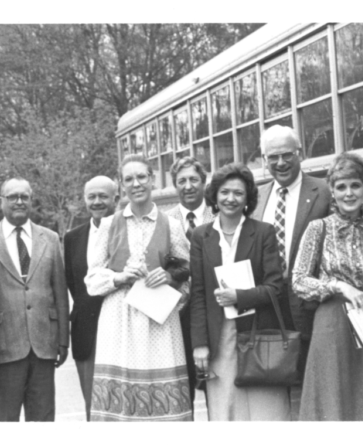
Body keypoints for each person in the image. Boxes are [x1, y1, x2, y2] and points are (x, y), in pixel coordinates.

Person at [292, 152, 363, 420]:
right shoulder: (318, 229)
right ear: (332, 190)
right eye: (341, 187)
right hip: (333, 327)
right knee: (334, 401)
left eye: (355, 185)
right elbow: (298, 280)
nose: (349, 193)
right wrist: (339, 286)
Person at [85, 154, 192, 421]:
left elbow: (187, 274)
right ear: (121, 185)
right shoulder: (109, 225)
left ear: (152, 179)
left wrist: (168, 277)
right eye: (129, 179)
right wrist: (119, 277)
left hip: (159, 321)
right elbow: (92, 277)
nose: (136, 184)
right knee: (122, 397)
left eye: (141, 177)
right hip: (118, 318)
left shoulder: (172, 225)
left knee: (161, 395)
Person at [190, 163, 289, 421]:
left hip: (256, 333)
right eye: (224, 192)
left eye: (238, 193)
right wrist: (200, 344)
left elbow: (275, 287)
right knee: (225, 410)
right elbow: (198, 294)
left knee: (264, 411)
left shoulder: (264, 232)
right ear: (214, 195)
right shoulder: (201, 236)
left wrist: (240, 297)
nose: (230, 199)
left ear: (247, 199)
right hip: (219, 335)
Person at [252, 125, 331, 383]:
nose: (281, 162)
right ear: (264, 160)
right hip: (269, 304)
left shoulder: (323, 191)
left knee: (313, 376)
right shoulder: (257, 197)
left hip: (309, 303)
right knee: (275, 378)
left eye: (287, 154)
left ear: (300, 153)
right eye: (272, 157)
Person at [0, 178, 69, 421]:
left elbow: (60, 293)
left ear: (31, 201)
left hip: (44, 345)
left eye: (24, 196)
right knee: (4, 420)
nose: (19, 201)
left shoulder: (50, 238)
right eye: (12, 197)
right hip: (3, 345)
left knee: (42, 419)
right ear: (1, 201)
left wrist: (63, 339)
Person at [64, 176, 120, 421]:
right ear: (85, 200)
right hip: (87, 332)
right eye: (91, 197)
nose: (97, 202)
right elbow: (74, 284)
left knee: (123, 406)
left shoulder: (129, 230)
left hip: (122, 332)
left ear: (116, 199)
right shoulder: (73, 238)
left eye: (103, 196)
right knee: (94, 410)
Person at [167, 156, 216, 406]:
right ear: (174, 185)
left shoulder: (218, 215)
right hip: (178, 316)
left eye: (193, 180)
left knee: (214, 387)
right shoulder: (165, 221)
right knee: (181, 388)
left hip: (212, 314)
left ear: (204, 182)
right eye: (181, 181)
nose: (188, 186)